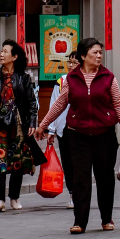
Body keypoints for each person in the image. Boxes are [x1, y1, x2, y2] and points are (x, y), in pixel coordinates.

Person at [37, 37, 120, 234]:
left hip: (104, 135)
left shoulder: (109, 78)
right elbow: (59, 105)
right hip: (78, 136)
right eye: (94, 53)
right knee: (80, 178)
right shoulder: (72, 79)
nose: (99, 56)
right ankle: (79, 222)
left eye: (100, 53)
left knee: (104, 177)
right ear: (83, 56)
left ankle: (106, 218)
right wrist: (44, 125)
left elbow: (119, 105)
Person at [0, 39, 39, 212]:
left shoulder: (23, 78)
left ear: (14, 57)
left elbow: (31, 102)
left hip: (19, 125)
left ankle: (14, 197)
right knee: (0, 160)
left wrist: (33, 122)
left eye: (6, 51)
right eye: (1, 51)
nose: (2, 54)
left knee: (17, 161)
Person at [47, 51, 78, 209]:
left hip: (80, 129)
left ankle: (81, 193)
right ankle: (72, 194)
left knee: (79, 163)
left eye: (75, 62)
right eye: (70, 62)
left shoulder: (87, 81)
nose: (71, 65)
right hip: (63, 129)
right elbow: (54, 105)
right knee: (68, 162)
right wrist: (50, 130)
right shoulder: (61, 81)